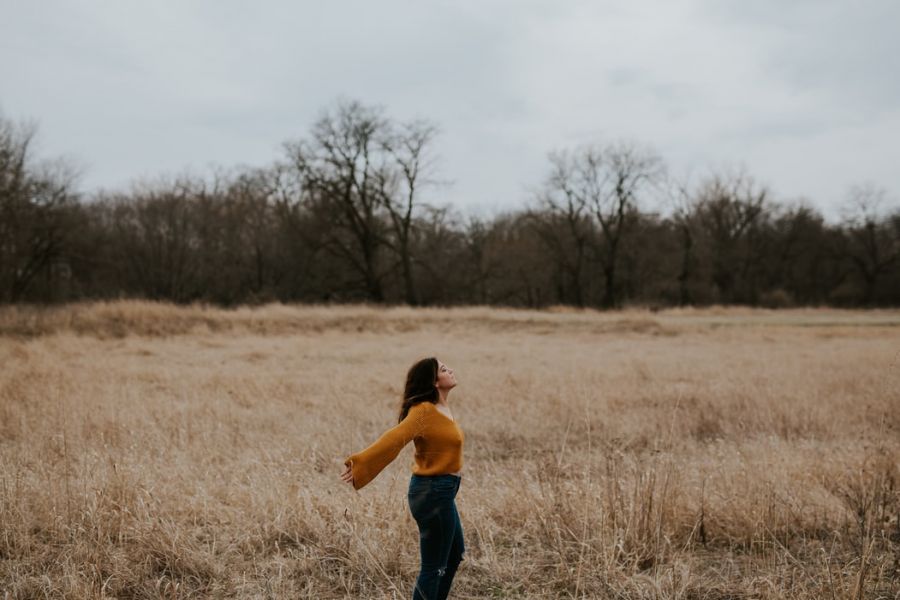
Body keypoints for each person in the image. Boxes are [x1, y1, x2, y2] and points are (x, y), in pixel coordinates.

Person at [341, 357, 465, 600]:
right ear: (434, 382)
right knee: (434, 567)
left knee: (453, 555)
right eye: (443, 369)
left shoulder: (441, 408)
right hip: (432, 492)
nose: (450, 369)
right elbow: (394, 438)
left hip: (443, 491)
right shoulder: (423, 411)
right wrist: (361, 462)